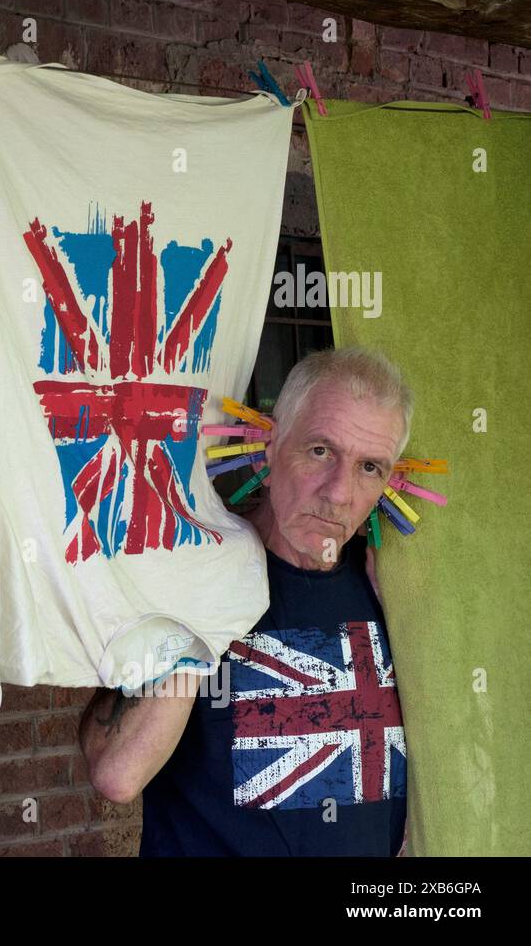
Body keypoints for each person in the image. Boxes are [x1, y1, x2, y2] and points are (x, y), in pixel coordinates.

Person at [80, 346, 412, 856]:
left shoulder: (389, 587)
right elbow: (118, 773)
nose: (340, 492)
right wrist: (209, 597)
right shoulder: (194, 569)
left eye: (370, 467)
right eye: (321, 450)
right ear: (272, 444)